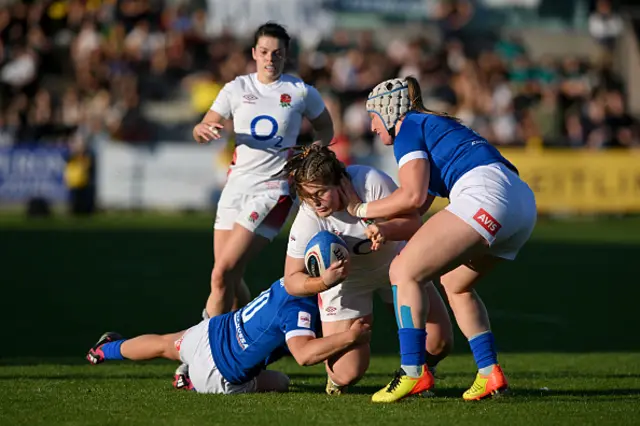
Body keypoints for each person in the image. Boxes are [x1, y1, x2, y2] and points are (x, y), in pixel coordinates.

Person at [339, 77, 537, 403]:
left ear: (390, 112)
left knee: (403, 272)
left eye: (373, 116)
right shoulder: (433, 127)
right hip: (521, 204)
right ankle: (490, 373)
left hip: (486, 194)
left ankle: (412, 371)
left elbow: (412, 197)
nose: (372, 127)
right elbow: (418, 217)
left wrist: (360, 208)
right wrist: (386, 229)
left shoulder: (408, 126)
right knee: (456, 283)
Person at [278, 144, 454, 395]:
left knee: (439, 343)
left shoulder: (371, 182)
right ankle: (336, 380)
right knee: (346, 373)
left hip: (396, 265)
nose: (314, 203)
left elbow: (414, 223)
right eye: (307, 196)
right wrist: (324, 282)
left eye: (320, 193)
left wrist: (384, 230)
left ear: (339, 180)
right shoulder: (309, 216)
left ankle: (420, 371)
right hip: (347, 282)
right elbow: (292, 279)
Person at [192, 22, 334, 318]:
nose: (271, 59)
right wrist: (203, 129)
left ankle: (198, 350)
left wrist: (309, 156)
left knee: (221, 275)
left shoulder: (300, 92)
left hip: (273, 191)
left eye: (278, 53)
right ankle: (240, 343)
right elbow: (205, 123)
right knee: (227, 277)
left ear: (286, 56)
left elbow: (326, 128)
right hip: (235, 188)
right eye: (265, 52)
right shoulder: (236, 88)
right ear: (255, 53)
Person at [86, 278, 371, 394]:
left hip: (210, 332)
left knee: (163, 344)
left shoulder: (288, 279)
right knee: (281, 382)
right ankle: (191, 381)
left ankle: (104, 351)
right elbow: (304, 355)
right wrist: (351, 337)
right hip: (219, 373)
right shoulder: (300, 308)